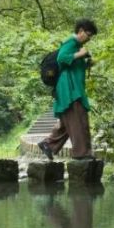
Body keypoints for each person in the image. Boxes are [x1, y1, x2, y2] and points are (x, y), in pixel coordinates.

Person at [38, 18, 97, 160]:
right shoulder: (71, 42)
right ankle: (82, 154)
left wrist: (86, 64)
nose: (89, 38)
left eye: (91, 36)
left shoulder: (76, 47)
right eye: (88, 34)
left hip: (71, 88)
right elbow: (62, 58)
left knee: (69, 121)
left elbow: (72, 66)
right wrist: (81, 54)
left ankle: (48, 144)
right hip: (70, 89)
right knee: (78, 119)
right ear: (81, 31)